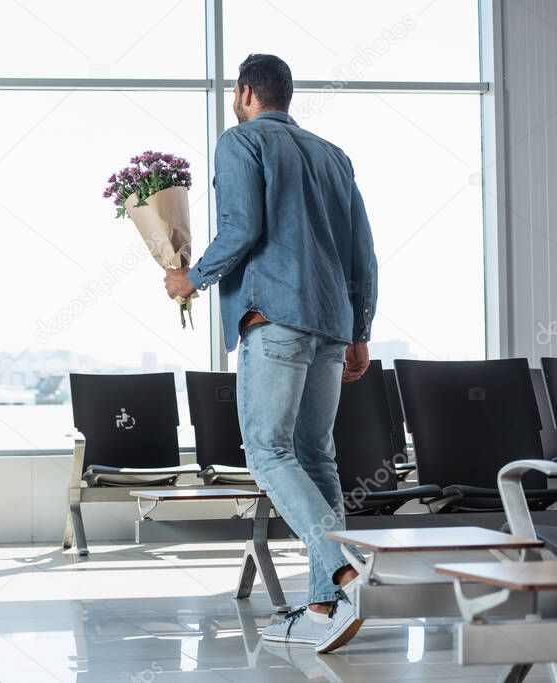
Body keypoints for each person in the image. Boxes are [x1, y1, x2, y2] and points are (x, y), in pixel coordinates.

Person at [164, 54, 378, 653]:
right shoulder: (335, 156)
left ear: (246, 91)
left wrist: (192, 278)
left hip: (275, 315)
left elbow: (241, 228)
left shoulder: (240, 142)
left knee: (267, 452)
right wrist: (359, 329)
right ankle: (321, 607)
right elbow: (363, 252)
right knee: (316, 456)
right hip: (332, 324)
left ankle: (342, 569)